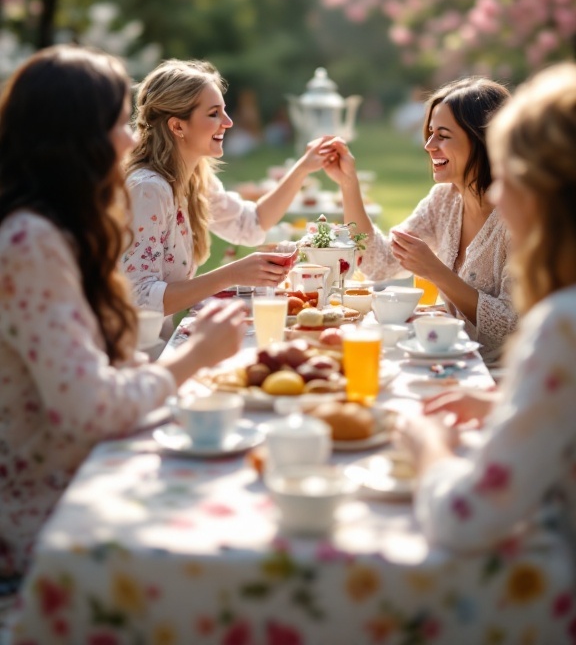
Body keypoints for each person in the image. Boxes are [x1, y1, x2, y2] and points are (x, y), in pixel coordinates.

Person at [0, 46, 246, 581]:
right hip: (50, 527)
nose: (133, 137)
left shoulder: (56, 229)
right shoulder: (30, 243)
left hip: (81, 486)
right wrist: (195, 359)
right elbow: (91, 408)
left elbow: (93, 371)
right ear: (75, 137)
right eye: (118, 122)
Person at [396, 62, 576, 563]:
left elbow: (465, 518)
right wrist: (505, 408)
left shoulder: (564, 325)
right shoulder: (444, 201)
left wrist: (430, 445)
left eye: (510, 171)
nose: (497, 191)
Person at [319, 77, 516, 362]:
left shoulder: (519, 218)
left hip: (501, 379)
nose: (429, 145)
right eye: (430, 133)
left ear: (483, 141)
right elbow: (380, 264)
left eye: (443, 135)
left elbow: (511, 326)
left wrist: (436, 272)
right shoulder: (444, 200)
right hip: (447, 361)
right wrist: (349, 184)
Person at [122, 58, 326, 320]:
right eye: (213, 113)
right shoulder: (148, 190)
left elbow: (250, 224)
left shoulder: (195, 178)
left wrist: (303, 168)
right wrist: (231, 274)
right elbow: (138, 299)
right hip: (130, 350)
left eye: (224, 111)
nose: (228, 122)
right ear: (177, 126)